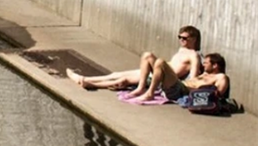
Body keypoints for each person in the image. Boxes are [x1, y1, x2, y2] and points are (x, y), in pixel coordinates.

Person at [67, 25, 201, 93]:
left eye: (184, 38)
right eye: (180, 38)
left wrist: (184, 89)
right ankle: (85, 79)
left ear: (193, 39)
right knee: (117, 74)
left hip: (166, 79)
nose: (181, 41)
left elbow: (193, 78)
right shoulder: (181, 50)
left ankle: (86, 82)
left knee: (124, 79)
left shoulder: (194, 55)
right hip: (157, 73)